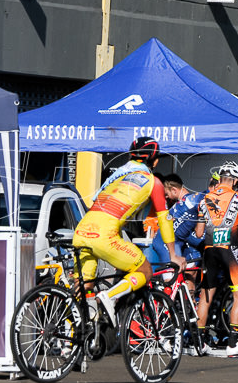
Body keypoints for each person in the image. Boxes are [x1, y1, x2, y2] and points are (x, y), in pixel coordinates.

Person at [72, 136, 176, 326]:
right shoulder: (153, 181)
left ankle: (72, 338)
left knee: (84, 287)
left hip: (81, 231)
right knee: (145, 270)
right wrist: (173, 255)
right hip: (104, 236)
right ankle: (110, 297)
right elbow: (164, 218)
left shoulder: (116, 178)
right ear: (156, 160)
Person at [193, 161, 238, 357]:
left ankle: (200, 344)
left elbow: (199, 232)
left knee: (206, 297)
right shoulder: (237, 198)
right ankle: (232, 344)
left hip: (209, 250)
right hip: (228, 250)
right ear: (234, 181)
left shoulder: (204, 199)